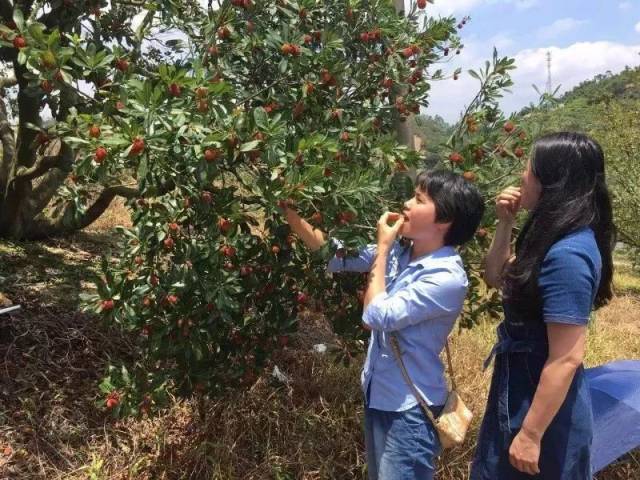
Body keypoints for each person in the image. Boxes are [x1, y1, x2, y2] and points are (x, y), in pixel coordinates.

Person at [281, 169, 484, 480]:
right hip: (380, 397)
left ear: (444, 220)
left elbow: (375, 316)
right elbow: (335, 255)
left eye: (418, 199)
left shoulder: (445, 277)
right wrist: (290, 213)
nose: (406, 204)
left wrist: (384, 247)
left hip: (409, 412)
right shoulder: (402, 253)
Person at [470, 132, 616, 479]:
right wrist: (505, 222)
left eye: (529, 168)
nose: (522, 175)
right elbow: (494, 276)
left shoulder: (569, 254)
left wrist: (532, 434)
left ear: (552, 181)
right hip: (520, 387)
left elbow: (567, 356)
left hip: (543, 409)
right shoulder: (549, 236)